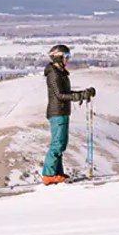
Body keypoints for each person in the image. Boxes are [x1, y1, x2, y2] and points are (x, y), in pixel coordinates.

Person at [42, 44, 95, 185]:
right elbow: (60, 95)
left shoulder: (60, 73)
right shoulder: (53, 74)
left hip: (62, 111)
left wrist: (82, 94)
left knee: (61, 144)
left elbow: (66, 93)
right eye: (66, 56)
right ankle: (49, 175)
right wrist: (79, 96)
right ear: (58, 57)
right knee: (57, 144)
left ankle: (57, 173)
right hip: (57, 112)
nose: (68, 59)